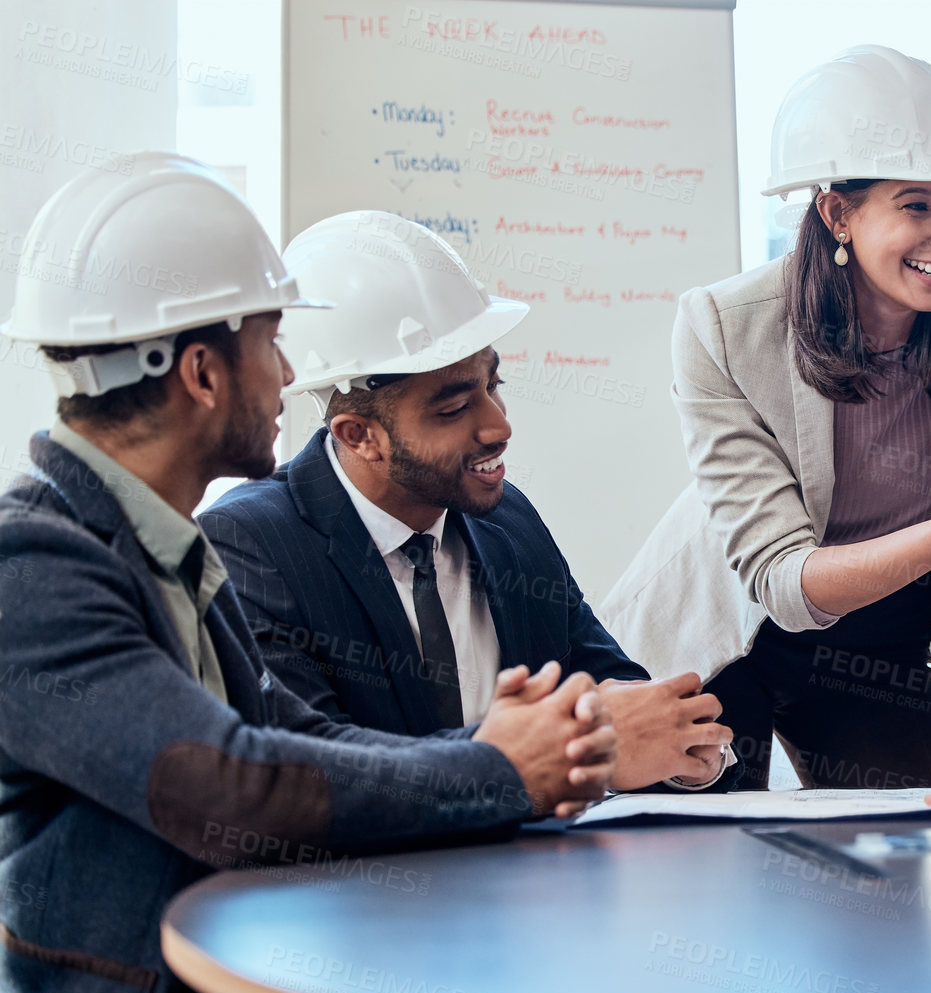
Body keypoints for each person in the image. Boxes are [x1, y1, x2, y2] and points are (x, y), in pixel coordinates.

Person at [0, 154, 617, 993]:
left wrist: (502, 750)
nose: (290, 374)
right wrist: (497, 768)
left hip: (244, 980)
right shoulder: (34, 566)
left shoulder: (151, 535)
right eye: (273, 341)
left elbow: (290, 731)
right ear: (203, 373)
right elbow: (227, 786)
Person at [605, 45, 931, 791]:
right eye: (916, 205)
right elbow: (782, 579)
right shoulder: (721, 325)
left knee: (903, 865)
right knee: (701, 868)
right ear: (837, 212)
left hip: (880, 626)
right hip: (724, 630)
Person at [200, 211, 734, 792]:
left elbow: (606, 682)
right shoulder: (248, 546)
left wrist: (676, 742)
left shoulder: (508, 521)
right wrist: (564, 750)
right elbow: (315, 771)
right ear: (359, 435)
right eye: (453, 409)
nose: (498, 425)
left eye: (492, 386)